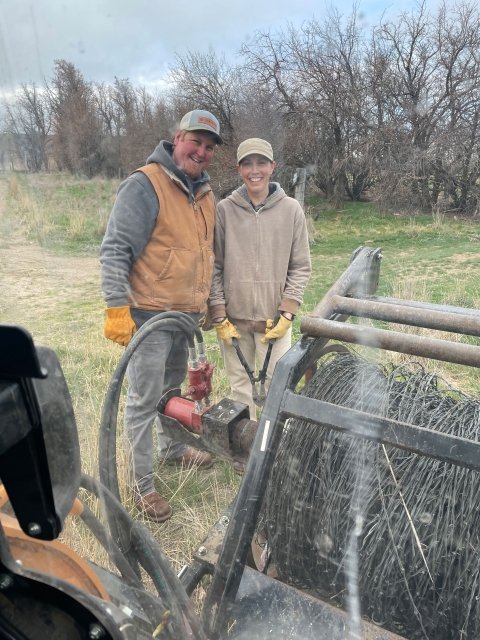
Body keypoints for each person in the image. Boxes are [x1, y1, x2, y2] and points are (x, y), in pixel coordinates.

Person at [100, 110, 223, 522]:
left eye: (209, 147)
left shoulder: (205, 193)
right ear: (177, 138)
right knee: (144, 400)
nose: (201, 152)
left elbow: (204, 254)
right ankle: (142, 486)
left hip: (185, 317)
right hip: (149, 316)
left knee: (172, 395)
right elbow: (116, 249)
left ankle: (173, 450)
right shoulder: (145, 184)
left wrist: (203, 303)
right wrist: (117, 307)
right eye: (195, 142)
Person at [208, 138, 311, 440]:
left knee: (278, 387)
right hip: (234, 323)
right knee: (240, 390)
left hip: (274, 323)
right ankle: (245, 450)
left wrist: (288, 312)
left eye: (261, 163)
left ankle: (277, 448)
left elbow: (301, 266)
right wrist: (218, 314)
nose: (255, 170)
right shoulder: (225, 210)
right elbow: (214, 265)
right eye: (248, 164)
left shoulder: (291, 210)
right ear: (239, 168)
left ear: (272, 167)